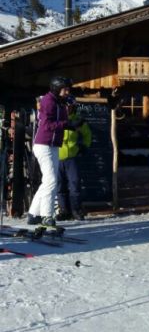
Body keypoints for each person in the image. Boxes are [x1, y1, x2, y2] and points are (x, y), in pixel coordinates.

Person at [28, 76, 79, 226]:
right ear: (56, 88)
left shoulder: (59, 102)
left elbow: (60, 122)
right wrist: (67, 124)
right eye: (65, 89)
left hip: (54, 145)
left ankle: (33, 214)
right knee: (52, 181)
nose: (67, 92)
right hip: (44, 144)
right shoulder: (48, 101)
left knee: (48, 181)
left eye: (68, 89)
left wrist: (71, 123)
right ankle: (46, 215)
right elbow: (47, 125)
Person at [57, 96, 92, 221]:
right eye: (65, 107)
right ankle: (64, 210)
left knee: (75, 184)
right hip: (57, 157)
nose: (67, 109)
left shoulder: (77, 121)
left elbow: (87, 134)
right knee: (60, 185)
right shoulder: (56, 120)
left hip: (72, 157)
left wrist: (84, 146)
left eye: (70, 107)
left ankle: (76, 210)